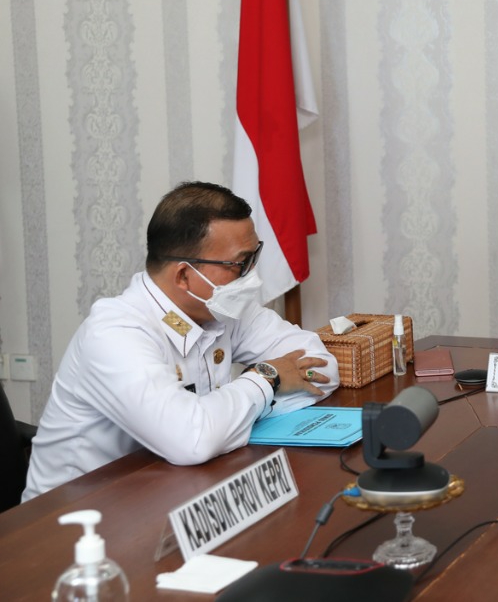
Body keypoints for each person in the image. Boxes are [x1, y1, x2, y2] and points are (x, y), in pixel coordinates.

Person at [23, 182, 338, 500]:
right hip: (75, 514)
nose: (251, 275)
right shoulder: (114, 333)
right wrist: (267, 379)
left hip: (171, 490)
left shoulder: (222, 306)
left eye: (254, 257)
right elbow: (193, 440)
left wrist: (230, 418)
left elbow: (324, 367)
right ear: (184, 276)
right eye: (239, 264)